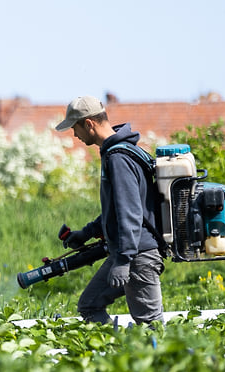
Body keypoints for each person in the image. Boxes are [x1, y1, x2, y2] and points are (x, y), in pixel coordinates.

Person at [55, 95, 165, 325]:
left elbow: (130, 212)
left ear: (88, 124)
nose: (74, 135)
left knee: (151, 325)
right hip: (128, 252)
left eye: (75, 128)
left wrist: (124, 261)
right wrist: (85, 233)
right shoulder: (121, 152)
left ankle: (155, 358)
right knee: (89, 305)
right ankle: (120, 356)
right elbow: (116, 209)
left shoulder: (118, 158)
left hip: (137, 255)